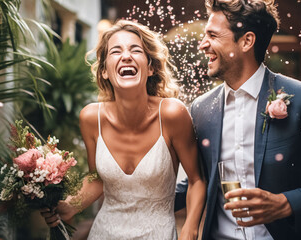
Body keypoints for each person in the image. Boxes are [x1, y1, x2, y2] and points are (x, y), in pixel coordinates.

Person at [175, 0, 301, 239]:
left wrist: (285, 203)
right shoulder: (201, 108)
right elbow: (199, 178)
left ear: (246, 41)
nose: (203, 45)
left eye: (212, 35)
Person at [41, 20, 206, 240]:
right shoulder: (91, 118)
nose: (126, 56)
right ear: (105, 71)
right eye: (116, 51)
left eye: (135, 50)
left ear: (150, 67)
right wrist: (69, 206)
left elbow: (196, 180)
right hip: (103, 233)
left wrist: (190, 229)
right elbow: (97, 179)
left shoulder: (172, 114)